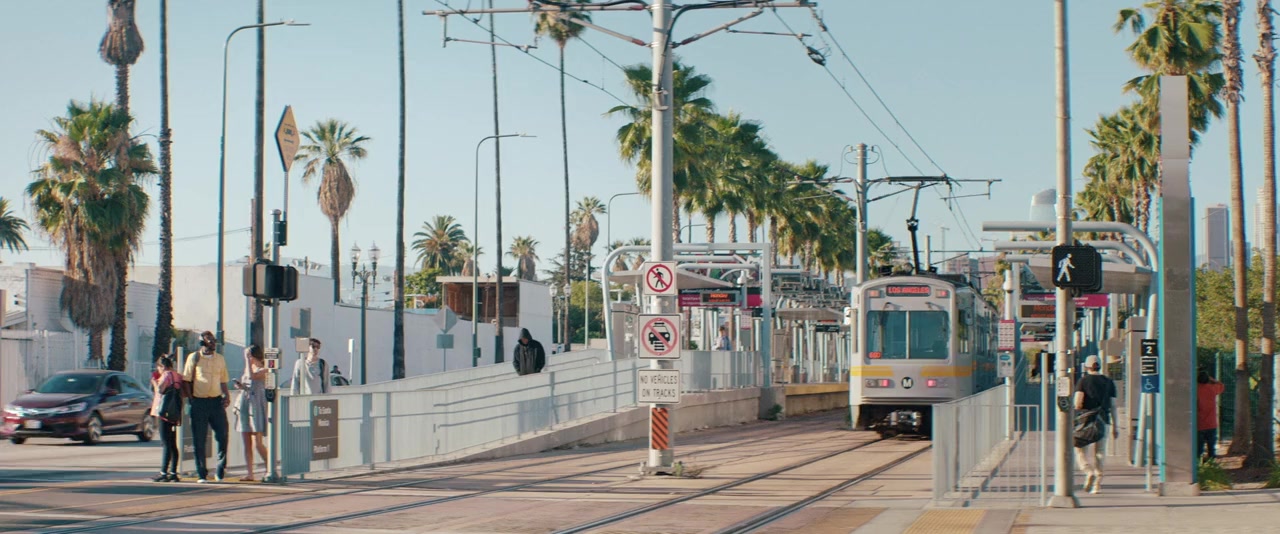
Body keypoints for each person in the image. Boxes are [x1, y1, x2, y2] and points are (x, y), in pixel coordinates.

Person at [183, 331, 230, 483]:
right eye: (210, 341)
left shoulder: (220, 359)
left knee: (223, 435)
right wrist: (191, 399)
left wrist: (226, 395)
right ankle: (202, 473)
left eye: (214, 341)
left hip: (216, 402)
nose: (213, 343)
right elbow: (186, 380)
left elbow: (223, 380)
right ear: (202, 342)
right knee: (199, 438)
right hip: (199, 402)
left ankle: (220, 470)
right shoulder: (194, 357)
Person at [1073, 354, 1117, 494]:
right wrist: (1115, 426)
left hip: (1086, 421)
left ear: (1086, 367)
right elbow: (1113, 406)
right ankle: (1097, 484)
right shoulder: (1109, 382)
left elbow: (1077, 403)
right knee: (1100, 452)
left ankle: (1088, 471)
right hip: (1103, 420)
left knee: (1079, 448)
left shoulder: (1083, 381)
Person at [233, 345, 269, 482]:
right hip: (245, 402)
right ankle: (250, 473)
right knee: (246, 440)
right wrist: (240, 386)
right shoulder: (248, 368)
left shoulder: (264, 369)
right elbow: (247, 380)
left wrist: (248, 361)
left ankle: (269, 468)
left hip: (256, 405)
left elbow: (253, 377)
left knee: (258, 442)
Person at [150, 356, 183, 482]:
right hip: (174, 412)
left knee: (166, 443)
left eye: (158, 367)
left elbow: (160, 390)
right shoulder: (177, 376)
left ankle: (163, 472)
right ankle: (173, 472)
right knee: (173, 443)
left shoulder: (166, 375)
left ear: (162, 366)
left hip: (164, 413)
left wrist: (154, 382)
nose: (158, 370)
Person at [1197, 370, 1226, 460]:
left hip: (1199, 424)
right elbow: (1221, 385)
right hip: (1211, 423)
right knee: (1211, 449)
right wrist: (1211, 379)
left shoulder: (1195, 389)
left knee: (1198, 449)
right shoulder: (1212, 389)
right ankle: (1211, 463)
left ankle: (1199, 463)